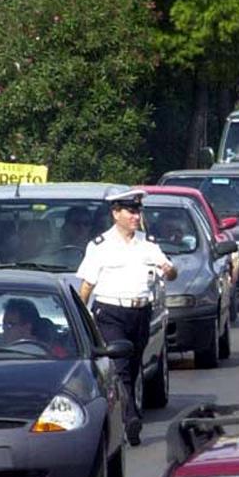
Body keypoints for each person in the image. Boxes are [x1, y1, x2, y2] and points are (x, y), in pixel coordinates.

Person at [76, 190, 177, 445]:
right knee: (121, 368)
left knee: (133, 367)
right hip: (110, 312)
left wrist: (169, 269)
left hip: (139, 312)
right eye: (131, 211)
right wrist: (81, 318)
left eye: (138, 211)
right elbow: (87, 286)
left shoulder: (147, 244)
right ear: (116, 213)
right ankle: (132, 417)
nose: (136, 216)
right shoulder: (100, 246)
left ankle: (127, 412)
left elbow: (171, 273)